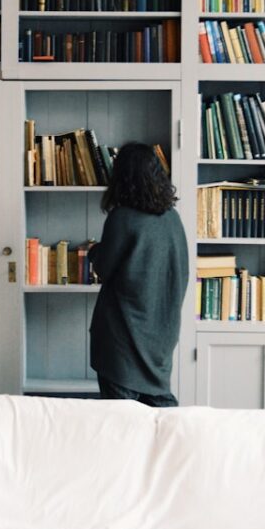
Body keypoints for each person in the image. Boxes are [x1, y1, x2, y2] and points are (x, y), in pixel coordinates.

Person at [88, 142, 188, 406]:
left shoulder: (122, 218)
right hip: (161, 335)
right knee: (162, 418)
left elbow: (103, 268)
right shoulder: (172, 218)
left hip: (122, 337)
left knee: (122, 425)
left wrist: (93, 251)